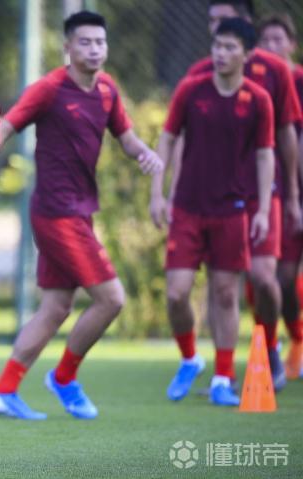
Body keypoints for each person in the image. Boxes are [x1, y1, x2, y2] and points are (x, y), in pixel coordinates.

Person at [0, 10, 161, 421]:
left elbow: (127, 138)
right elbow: (6, 126)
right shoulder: (50, 88)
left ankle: (3, 391)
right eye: (85, 42)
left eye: (100, 42)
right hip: (56, 214)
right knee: (111, 299)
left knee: (56, 308)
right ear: (67, 47)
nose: (94, 49)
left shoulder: (107, 89)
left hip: (79, 213)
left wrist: (146, 154)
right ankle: (64, 377)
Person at [166, 0, 302, 392]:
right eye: (211, 23)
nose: (215, 29)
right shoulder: (198, 76)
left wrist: (292, 196)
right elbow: (179, 135)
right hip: (211, 198)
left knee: (264, 277)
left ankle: (269, 346)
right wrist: (171, 190)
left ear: (244, 25)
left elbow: (285, 135)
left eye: (223, 21)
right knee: (220, 286)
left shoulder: (275, 72)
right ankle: (221, 371)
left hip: (261, 193)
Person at [151, 18, 275, 406]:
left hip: (232, 209)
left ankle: (223, 377)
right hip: (187, 207)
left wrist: (263, 210)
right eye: (217, 46)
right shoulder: (191, 90)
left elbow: (265, 155)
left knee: (225, 293)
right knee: (177, 294)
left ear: (248, 54)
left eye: (229, 47)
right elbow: (167, 139)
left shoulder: (258, 99)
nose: (220, 53)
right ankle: (190, 358)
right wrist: (158, 193)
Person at [258, 12, 303, 379]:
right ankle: (293, 340)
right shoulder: (258, 84)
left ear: (292, 44)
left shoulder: (298, 81)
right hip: (280, 192)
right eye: (266, 40)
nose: (272, 46)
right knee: (281, 278)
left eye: (279, 39)